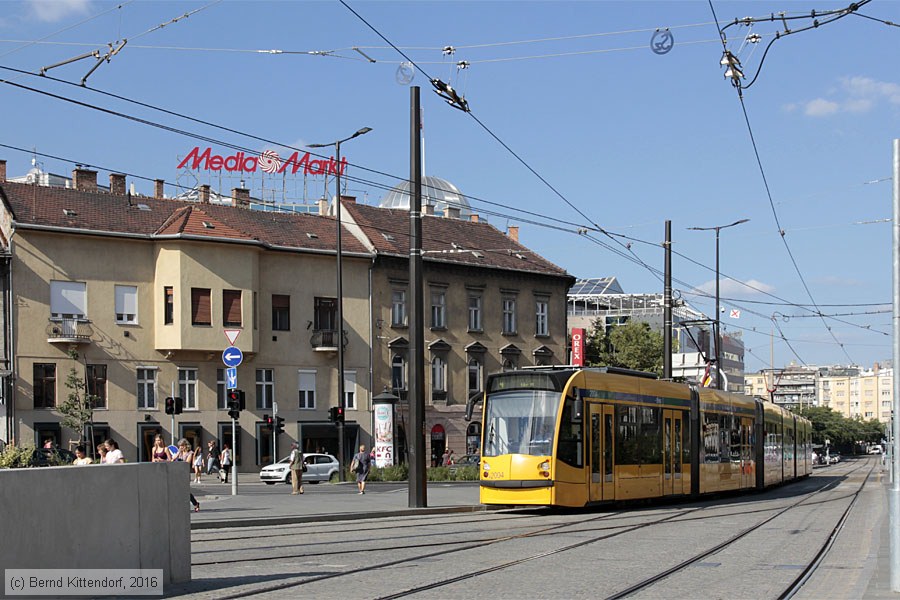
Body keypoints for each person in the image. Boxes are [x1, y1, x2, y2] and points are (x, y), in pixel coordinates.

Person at [173, 439, 200, 512]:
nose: (181, 447)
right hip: (178, 473)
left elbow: (187, 463)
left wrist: (179, 461)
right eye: (179, 446)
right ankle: (182, 505)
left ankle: (195, 503)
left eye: (182, 446)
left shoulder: (190, 453)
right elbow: (173, 459)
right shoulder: (180, 452)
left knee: (185, 491)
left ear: (186, 445)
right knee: (178, 490)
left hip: (185, 474)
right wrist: (176, 455)